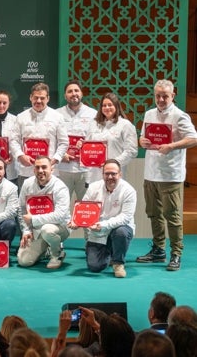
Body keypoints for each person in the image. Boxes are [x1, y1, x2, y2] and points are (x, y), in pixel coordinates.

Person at [137, 79, 197, 271]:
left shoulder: (180, 116)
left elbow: (194, 138)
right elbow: (143, 136)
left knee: (172, 216)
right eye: (158, 95)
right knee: (153, 213)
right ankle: (158, 249)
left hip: (171, 173)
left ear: (173, 96)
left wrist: (172, 145)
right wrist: (142, 141)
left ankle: (176, 253)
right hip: (151, 172)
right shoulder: (149, 114)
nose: (161, 99)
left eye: (165, 96)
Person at [68, 159, 135, 277]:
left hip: (118, 228)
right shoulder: (93, 187)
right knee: (95, 266)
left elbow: (125, 217)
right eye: (107, 173)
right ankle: (109, 249)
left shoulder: (129, 191)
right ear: (102, 174)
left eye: (113, 174)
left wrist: (103, 225)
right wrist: (76, 221)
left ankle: (118, 263)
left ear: (120, 174)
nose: (110, 177)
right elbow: (84, 208)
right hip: (97, 232)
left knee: (121, 232)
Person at [9, 82, 69, 186]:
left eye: (42, 98)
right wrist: (20, 156)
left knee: (49, 201)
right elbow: (13, 140)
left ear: (48, 99)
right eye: (36, 97)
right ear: (30, 97)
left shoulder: (57, 117)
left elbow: (64, 142)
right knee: (26, 201)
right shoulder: (21, 117)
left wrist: (54, 160)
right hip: (26, 171)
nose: (38, 101)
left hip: (50, 171)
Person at [17, 156, 70, 269]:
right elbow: (21, 209)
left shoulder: (60, 187)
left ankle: (57, 254)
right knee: (23, 261)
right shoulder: (27, 184)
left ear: (52, 169)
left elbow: (60, 216)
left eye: (44, 167)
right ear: (34, 170)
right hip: (35, 229)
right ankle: (46, 249)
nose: (41, 170)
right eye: (37, 167)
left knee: (47, 230)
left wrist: (33, 220)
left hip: (58, 228)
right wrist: (26, 230)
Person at [56, 80, 97, 201]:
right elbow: (53, 139)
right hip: (63, 168)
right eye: (70, 91)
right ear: (65, 96)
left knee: (86, 204)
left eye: (76, 90)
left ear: (81, 93)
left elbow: (98, 139)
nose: (73, 94)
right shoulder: (57, 114)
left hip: (85, 169)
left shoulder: (93, 114)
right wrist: (60, 155)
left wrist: (87, 148)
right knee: (60, 205)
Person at [84, 92, 138, 183]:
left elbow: (131, 151)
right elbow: (88, 146)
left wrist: (113, 164)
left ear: (116, 106)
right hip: (94, 174)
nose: (107, 108)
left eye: (110, 105)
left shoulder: (125, 125)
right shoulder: (94, 124)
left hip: (114, 173)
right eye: (104, 105)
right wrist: (82, 145)